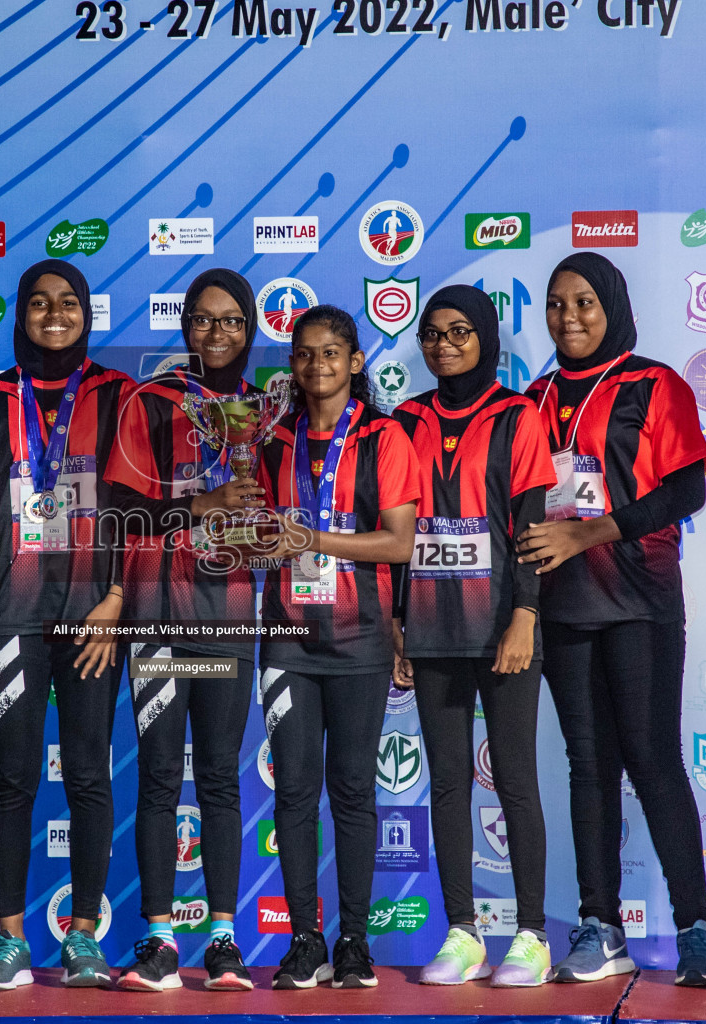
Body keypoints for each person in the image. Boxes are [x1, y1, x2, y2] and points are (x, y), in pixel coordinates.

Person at [518, 252, 706, 987]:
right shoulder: (532, 398)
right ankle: (599, 927)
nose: (569, 318)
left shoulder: (652, 382)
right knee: (589, 766)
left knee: (653, 760)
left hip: (639, 601)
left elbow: (687, 492)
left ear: (612, 307)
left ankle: (697, 928)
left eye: (584, 303)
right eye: (556, 303)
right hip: (564, 606)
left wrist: (587, 534)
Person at [0, 259, 131, 990]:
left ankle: (84, 937)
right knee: (14, 776)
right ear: (21, 314)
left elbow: (141, 504)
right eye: (39, 303)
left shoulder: (121, 395)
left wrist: (119, 598)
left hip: (94, 612)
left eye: (67, 303)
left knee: (88, 769)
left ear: (87, 314)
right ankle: (8, 943)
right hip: (11, 613)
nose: (54, 314)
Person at [105, 269, 268, 991]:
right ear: (184, 328)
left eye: (232, 321)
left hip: (230, 622)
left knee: (223, 781)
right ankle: (161, 941)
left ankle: (226, 942)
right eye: (203, 320)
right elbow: (120, 511)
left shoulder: (268, 410)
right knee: (160, 779)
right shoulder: (151, 401)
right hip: (159, 622)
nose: (217, 333)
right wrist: (202, 504)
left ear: (251, 328)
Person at [391, 285, 556, 987]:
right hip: (430, 626)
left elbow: (530, 524)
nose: (444, 344)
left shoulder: (517, 415)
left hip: (502, 625)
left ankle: (532, 935)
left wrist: (526, 614)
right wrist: (398, 624)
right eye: (432, 333)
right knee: (449, 782)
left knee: (515, 778)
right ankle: (461, 933)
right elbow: (394, 530)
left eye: (460, 331)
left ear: (486, 336)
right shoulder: (401, 421)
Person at [255, 305, 417, 990]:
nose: (316, 366)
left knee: (351, 790)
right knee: (292, 791)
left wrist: (313, 541)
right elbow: (257, 534)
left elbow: (399, 542)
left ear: (354, 362)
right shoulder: (271, 441)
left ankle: (354, 941)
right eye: (303, 354)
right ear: (291, 366)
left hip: (360, 640)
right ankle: (304, 942)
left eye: (330, 353)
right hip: (288, 640)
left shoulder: (385, 437)